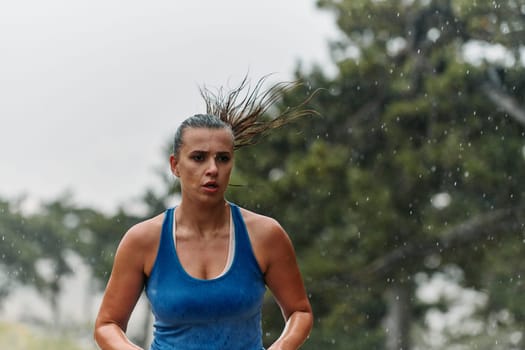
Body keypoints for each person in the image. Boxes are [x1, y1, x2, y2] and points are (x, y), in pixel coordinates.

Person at [94, 76, 316, 350]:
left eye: (222, 158)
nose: (212, 169)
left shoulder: (265, 235)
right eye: (198, 157)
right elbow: (107, 325)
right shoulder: (143, 240)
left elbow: (300, 312)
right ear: (175, 165)